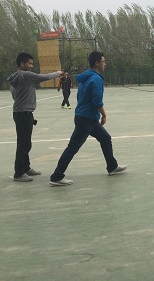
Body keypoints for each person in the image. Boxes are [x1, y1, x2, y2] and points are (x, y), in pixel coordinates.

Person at [49, 51, 126, 186]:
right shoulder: (96, 79)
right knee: (73, 147)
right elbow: (97, 102)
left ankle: (112, 167)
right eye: (103, 61)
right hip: (86, 119)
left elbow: (81, 97)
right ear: (96, 63)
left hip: (86, 118)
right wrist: (104, 115)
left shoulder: (86, 77)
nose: (105, 64)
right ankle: (56, 176)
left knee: (105, 138)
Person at [8, 53, 62, 182]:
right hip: (23, 113)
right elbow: (43, 77)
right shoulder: (25, 75)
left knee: (25, 142)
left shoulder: (16, 77)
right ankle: (19, 173)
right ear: (22, 64)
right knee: (24, 144)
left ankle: (25, 167)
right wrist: (57, 73)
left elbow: (13, 94)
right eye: (29, 63)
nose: (31, 66)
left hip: (21, 112)